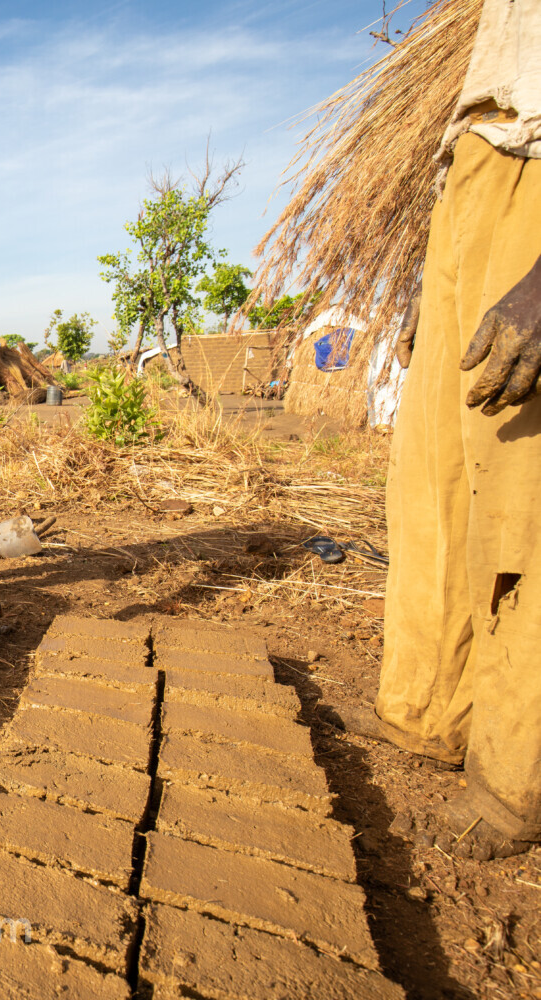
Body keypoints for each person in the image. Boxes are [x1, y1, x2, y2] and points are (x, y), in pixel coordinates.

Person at [376, 0, 541, 860]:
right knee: (432, 487)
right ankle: (436, 718)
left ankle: (514, 783)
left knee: (522, 503)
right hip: (477, 171)